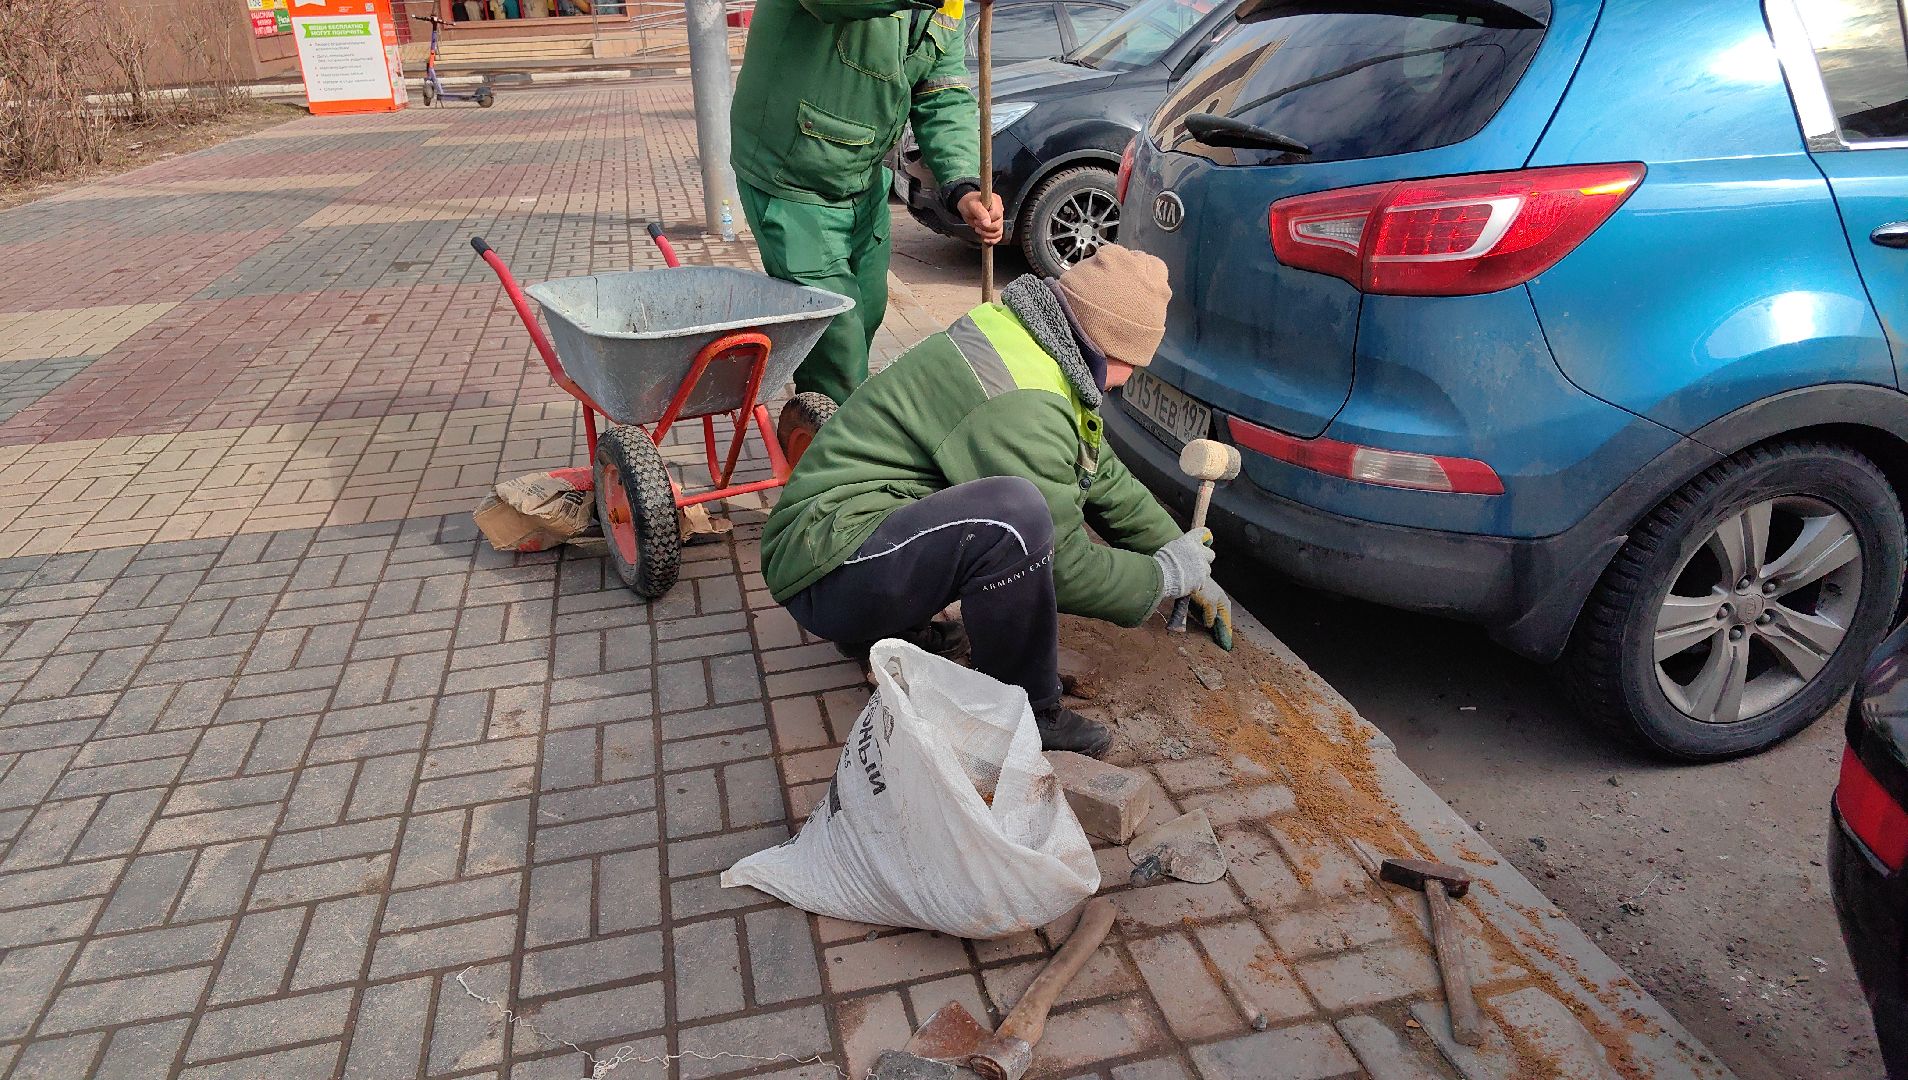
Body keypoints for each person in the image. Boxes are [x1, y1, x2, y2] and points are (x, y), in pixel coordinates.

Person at [760, 246, 1234, 758]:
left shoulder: (1029, 338)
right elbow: (1067, 567)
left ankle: (882, 632)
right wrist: (1163, 576)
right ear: (1110, 344)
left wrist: (1177, 547)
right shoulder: (1024, 402)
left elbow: (1099, 474)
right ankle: (1028, 711)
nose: (1131, 378)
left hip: (834, 544)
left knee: (999, 507)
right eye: (1135, 363)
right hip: (828, 568)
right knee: (1013, 517)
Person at [729, 0, 1006, 408]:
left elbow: (942, 95)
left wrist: (962, 184)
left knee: (869, 310)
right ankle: (837, 452)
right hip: (792, 181)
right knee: (837, 342)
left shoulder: (948, 5)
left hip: (864, 179)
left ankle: (817, 418)